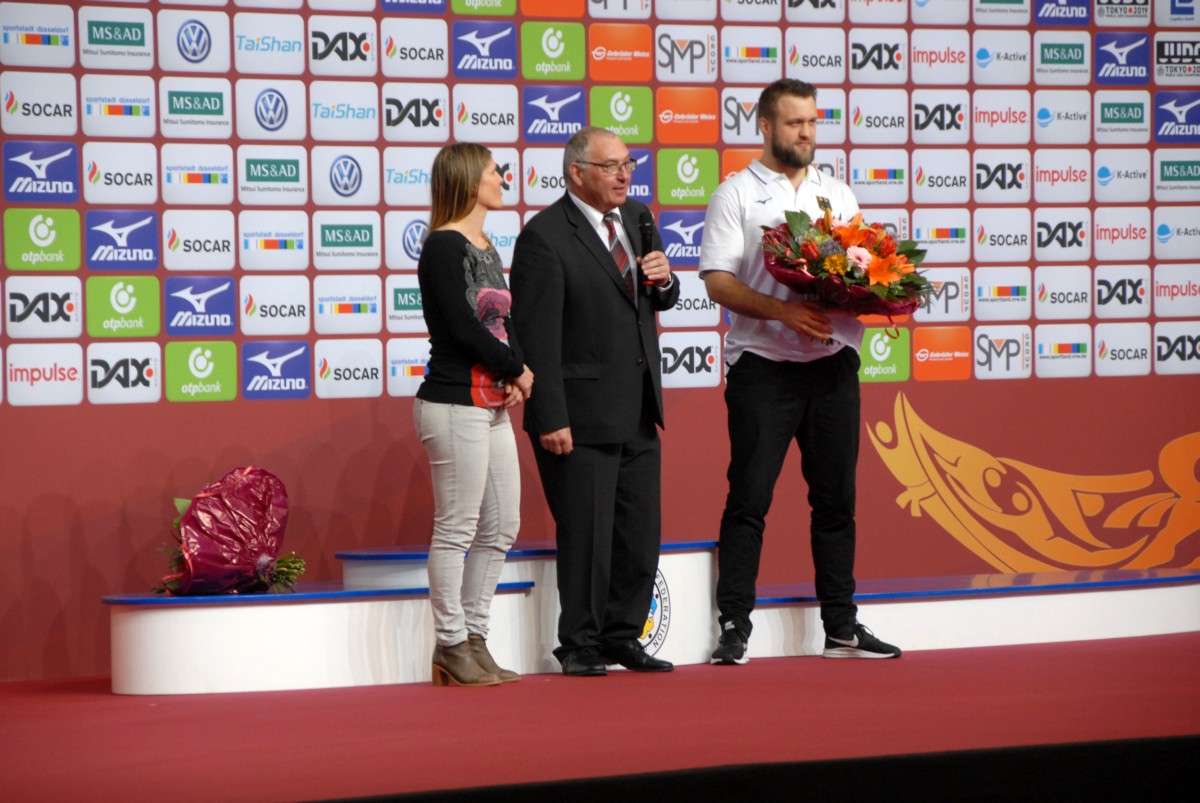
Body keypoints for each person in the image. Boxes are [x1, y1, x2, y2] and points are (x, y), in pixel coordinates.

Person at [698, 79, 902, 664]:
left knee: (837, 503)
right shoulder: (736, 193)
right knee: (749, 500)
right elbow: (718, 282)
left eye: (812, 122)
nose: (807, 133)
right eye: (794, 123)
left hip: (831, 366)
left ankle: (841, 626)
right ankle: (734, 626)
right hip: (763, 367)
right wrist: (785, 310)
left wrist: (871, 294)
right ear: (765, 126)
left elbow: (860, 271)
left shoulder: (837, 194)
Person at [510, 126, 680, 677]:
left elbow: (656, 299)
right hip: (578, 416)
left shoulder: (638, 218)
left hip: (638, 407)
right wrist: (549, 416)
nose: (624, 175)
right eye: (610, 167)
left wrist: (665, 281)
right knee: (586, 536)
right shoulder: (543, 237)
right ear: (577, 172)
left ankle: (623, 635)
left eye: (628, 164)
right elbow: (536, 337)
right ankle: (579, 643)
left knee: (639, 534)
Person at [414, 142, 535, 686]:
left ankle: (476, 638)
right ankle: (450, 644)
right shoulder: (443, 247)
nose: (502, 179)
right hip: (452, 402)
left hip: (490, 404)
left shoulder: (485, 244)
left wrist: (514, 371)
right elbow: (464, 329)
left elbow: (503, 324)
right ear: (468, 182)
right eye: (493, 172)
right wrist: (517, 369)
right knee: (457, 528)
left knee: (503, 524)